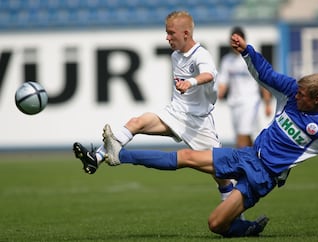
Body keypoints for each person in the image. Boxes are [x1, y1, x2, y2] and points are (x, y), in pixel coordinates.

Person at [99, 32, 318, 237]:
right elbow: (266, 75)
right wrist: (247, 51)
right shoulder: (294, 92)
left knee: (215, 224)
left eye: (302, 94)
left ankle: (244, 229)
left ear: (316, 99)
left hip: (262, 177)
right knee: (187, 156)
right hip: (246, 155)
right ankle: (120, 155)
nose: (296, 94)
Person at [73, 11, 234, 201]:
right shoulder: (176, 55)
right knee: (137, 122)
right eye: (166, 32)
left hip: (199, 123)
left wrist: (190, 82)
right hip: (176, 113)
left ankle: (235, 218)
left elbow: (208, 75)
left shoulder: (201, 54)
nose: (167, 37)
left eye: (171, 33)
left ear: (186, 34)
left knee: (223, 176)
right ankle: (96, 158)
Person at [217, 26, 272, 148]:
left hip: (250, 101)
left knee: (242, 137)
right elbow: (223, 82)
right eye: (232, 41)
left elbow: (263, 81)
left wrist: (267, 103)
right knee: (246, 137)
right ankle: (258, 161)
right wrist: (218, 95)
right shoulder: (227, 61)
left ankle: (238, 165)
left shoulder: (252, 58)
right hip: (234, 103)